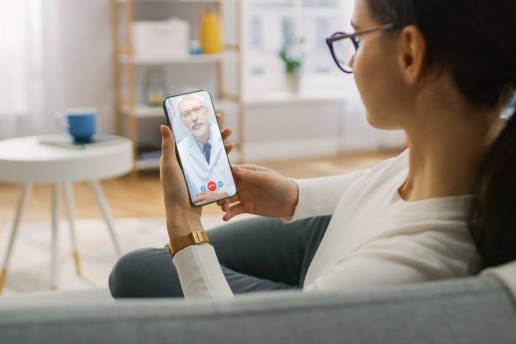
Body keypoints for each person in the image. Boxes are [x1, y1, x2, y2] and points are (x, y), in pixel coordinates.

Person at [109, 0, 516, 298]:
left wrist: (184, 222)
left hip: (338, 266)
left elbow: (230, 336)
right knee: (143, 267)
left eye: (356, 38)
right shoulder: (475, 148)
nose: (352, 61)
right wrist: (294, 196)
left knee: (136, 271)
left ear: (410, 53)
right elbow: (381, 178)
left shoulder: (399, 270)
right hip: (342, 229)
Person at [169, 93, 236, 206]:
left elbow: (232, 183)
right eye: (186, 114)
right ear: (182, 121)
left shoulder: (221, 141)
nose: (194, 118)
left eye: (197, 110)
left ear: (208, 112)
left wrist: (222, 195)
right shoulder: (181, 150)